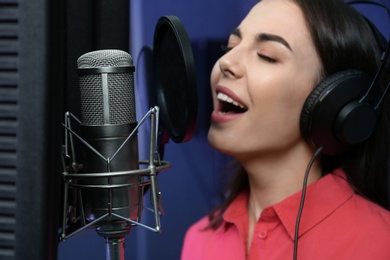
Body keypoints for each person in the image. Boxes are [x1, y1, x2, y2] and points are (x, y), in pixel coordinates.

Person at [181, 0, 390, 259]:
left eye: (267, 55)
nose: (226, 62)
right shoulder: (199, 239)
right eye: (231, 46)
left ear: (332, 102)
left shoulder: (381, 243)